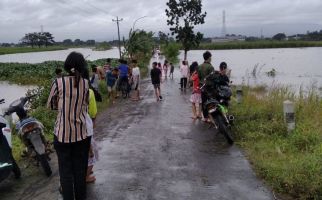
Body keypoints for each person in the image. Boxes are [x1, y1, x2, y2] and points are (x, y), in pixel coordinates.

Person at [47, 51, 90, 200]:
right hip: (82, 134)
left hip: (62, 135)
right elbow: (86, 104)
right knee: (80, 171)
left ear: (67, 66)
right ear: (82, 65)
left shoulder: (58, 82)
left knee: (65, 173)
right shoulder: (86, 83)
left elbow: (51, 105)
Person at [86, 88, 99, 183]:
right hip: (86, 135)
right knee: (91, 155)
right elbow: (93, 110)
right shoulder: (89, 92)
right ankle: (86, 176)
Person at [198, 51, 214, 123]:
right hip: (209, 87)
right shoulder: (210, 67)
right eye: (211, 57)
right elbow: (213, 78)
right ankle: (210, 117)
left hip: (202, 86)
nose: (211, 58)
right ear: (209, 57)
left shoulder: (199, 66)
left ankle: (205, 117)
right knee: (210, 102)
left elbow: (199, 77)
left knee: (204, 102)